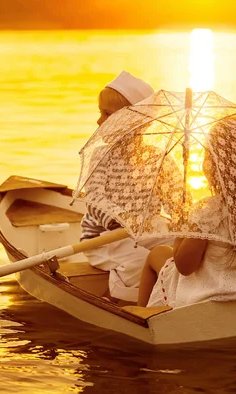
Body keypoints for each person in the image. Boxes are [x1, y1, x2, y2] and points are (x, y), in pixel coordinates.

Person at [138, 116, 236, 308]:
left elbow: (184, 266)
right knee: (162, 252)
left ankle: (140, 318)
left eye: (207, 155)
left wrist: (183, 228)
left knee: (156, 254)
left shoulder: (208, 211)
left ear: (217, 165)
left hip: (204, 300)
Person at [80, 71, 179, 303]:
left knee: (180, 246)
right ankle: (119, 298)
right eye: (100, 113)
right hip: (105, 236)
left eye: (107, 114)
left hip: (147, 229)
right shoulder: (101, 155)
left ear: (134, 120)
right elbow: (94, 200)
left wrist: (186, 214)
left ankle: (179, 293)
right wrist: (120, 218)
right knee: (137, 262)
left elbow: (176, 200)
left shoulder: (158, 157)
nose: (99, 121)